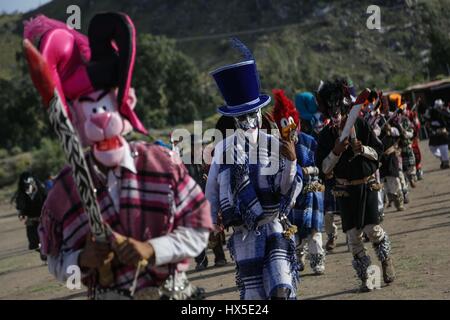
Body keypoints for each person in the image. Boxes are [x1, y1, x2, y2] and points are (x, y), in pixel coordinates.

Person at [25, 13, 212, 300]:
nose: (99, 116)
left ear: (124, 99)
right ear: (73, 116)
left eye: (103, 103)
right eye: (89, 107)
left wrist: (153, 249)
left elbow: (199, 232)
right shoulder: (64, 190)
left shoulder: (163, 165)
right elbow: (55, 262)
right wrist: (81, 259)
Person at [205, 39, 302, 300]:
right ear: (234, 120)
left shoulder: (276, 144)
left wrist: (292, 162)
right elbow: (212, 189)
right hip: (244, 234)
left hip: (274, 227)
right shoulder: (224, 151)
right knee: (253, 296)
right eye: (241, 118)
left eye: (252, 115)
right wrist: (211, 219)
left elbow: (285, 189)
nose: (248, 122)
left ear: (261, 113)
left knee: (281, 287)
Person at [316, 79, 395, 292]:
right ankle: (370, 279)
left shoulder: (360, 124)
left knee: (373, 230)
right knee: (353, 237)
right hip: (344, 190)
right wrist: (336, 151)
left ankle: (386, 261)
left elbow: (378, 153)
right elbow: (323, 169)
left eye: (338, 110)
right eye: (331, 110)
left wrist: (362, 149)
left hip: (367, 186)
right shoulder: (324, 137)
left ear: (343, 107)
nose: (335, 115)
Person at [273, 89, 326, 275]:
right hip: (291, 197)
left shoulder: (309, 141)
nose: (290, 132)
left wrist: (307, 170)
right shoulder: (277, 148)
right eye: (285, 130)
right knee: (294, 232)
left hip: (311, 192)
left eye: (292, 128)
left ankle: (317, 261)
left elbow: (321, 166)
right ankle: (298, 258)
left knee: (314, 231)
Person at [296, 91, 338, 252]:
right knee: (328, 213)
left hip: (337, 170)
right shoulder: (305, 130)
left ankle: (355, 238)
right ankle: (332, 235)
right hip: (320, 175)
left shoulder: (329, 121)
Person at [184, 134, 227, 271]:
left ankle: (220, 257)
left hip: (209, 201)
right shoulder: (185, 163)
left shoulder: (208, 161)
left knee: (214, 230)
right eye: (194, 146)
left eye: (199, 145)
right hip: (193, 203)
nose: (198, 148)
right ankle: (201, 261)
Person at [12, 172, 47, 261]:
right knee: (34, 243)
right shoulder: (22, 194)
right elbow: (20, 206)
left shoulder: (41, 190)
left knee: (46, 238)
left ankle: (45, 252)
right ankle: (42, 250)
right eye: (26, 184)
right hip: (31, 220)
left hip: (43, 219)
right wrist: (21, 213)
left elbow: (47, 201)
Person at [424, 99, 450, 169]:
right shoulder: (431, 112)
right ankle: (443, 159)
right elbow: (427, 120)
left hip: (443, 133)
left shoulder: (444, 112)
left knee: (443, 147)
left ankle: (445, 162)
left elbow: (447, 121)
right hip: (434, 133)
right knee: (432, 147)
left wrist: (446, 129)